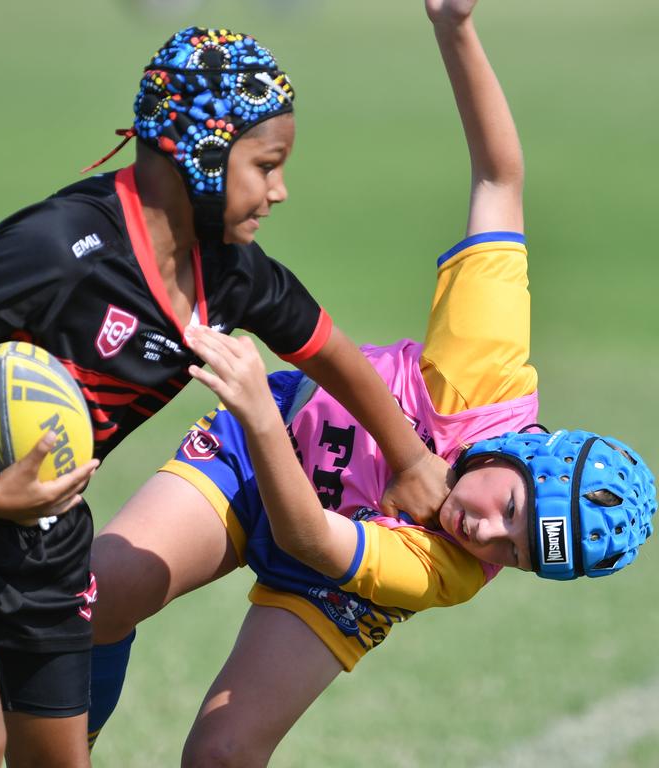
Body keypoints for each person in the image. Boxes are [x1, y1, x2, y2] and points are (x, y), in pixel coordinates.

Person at [88, 2, 657, 765]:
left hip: (331, 571)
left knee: (222, 753)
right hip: (253, 460)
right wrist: (454, 28)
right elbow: (499, 179)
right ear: (528, 455)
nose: (487, 536)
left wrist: (256, 408)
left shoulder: (454, 570)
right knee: (96, 599)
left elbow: (314, 542)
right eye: (511, 512)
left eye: (516, 554)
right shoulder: (485, 372)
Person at [0, 27, 447, 768]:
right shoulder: (61, 247)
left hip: (50, 537)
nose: (279, 190)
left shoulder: (231, 274)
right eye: (266, 166)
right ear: (204, 155)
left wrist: (408, 457)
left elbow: (332, 352)